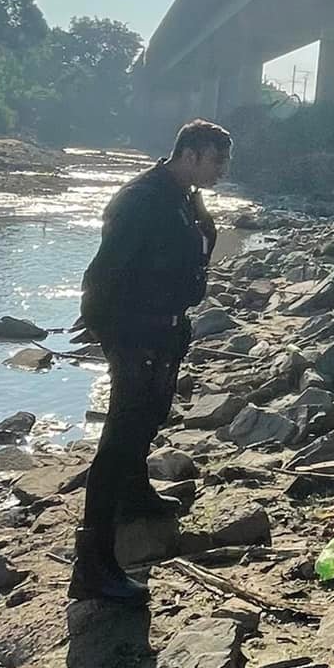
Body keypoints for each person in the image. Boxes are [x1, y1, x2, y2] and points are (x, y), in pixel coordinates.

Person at [68, 118, 232, 603]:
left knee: (150, 418)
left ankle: (135, 497)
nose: (223, 170)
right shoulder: (141, 200)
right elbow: (102, 275)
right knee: (121, 436)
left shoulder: (183, 195)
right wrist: (115, 337)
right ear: (191, 155)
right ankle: (92, 564)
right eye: (218, 161)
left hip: (164, 325)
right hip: (135, 330)